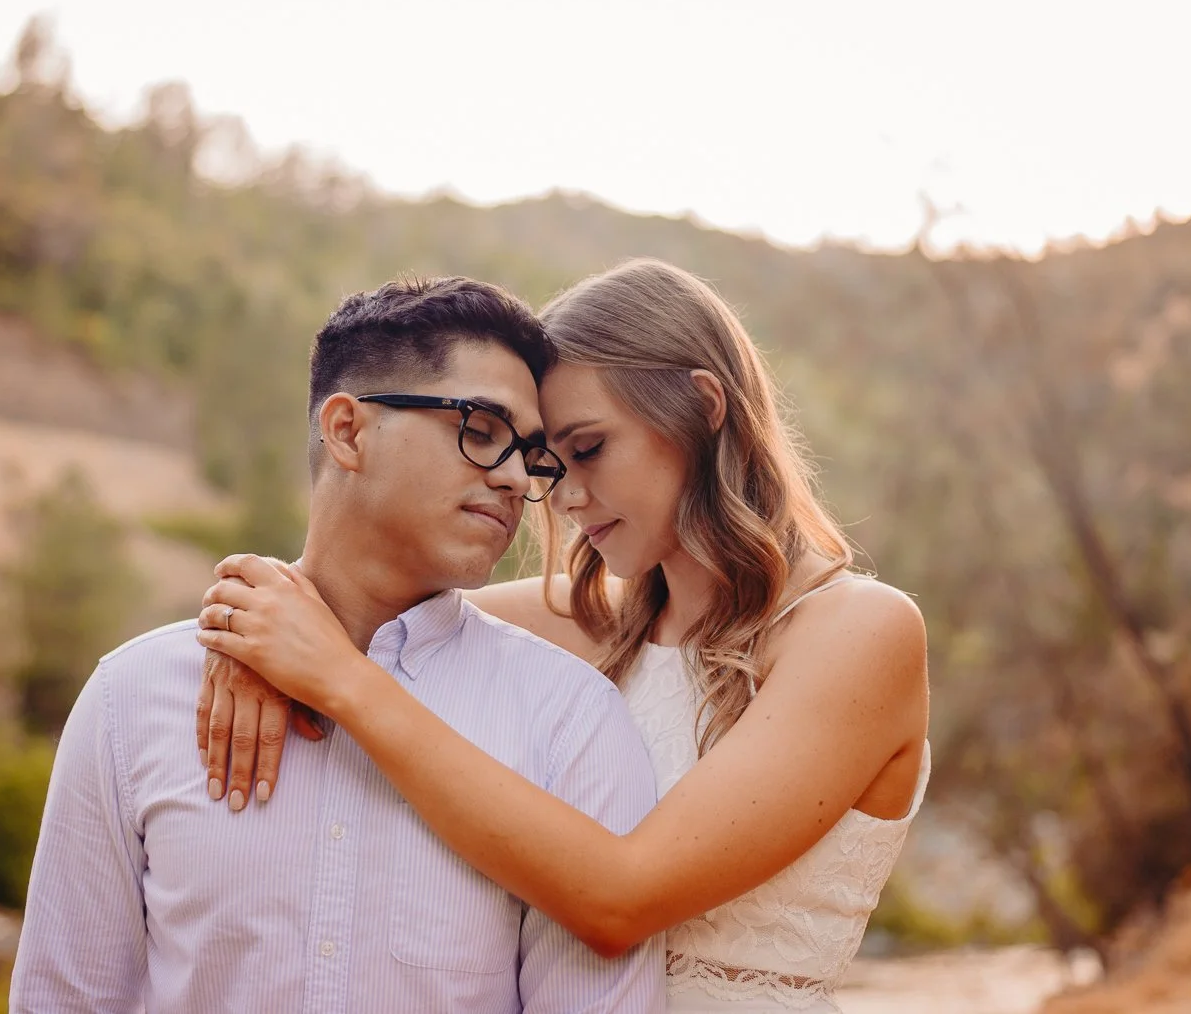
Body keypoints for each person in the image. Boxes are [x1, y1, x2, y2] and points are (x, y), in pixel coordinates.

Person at [196, 258, 931, 1013]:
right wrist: (248, 622)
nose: (566, 496)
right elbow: (354, 604)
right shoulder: (593, 621)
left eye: (589, 449)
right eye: (549, 461)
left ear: (703, 406)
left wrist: (341, 682)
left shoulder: (858, 631)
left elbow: (622, 899)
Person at [12, 277, 665, 1013]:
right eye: (481, 430)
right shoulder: (132, 699)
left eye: (532, 455)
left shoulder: (569, 720)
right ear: (348, 431)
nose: (516, 477)